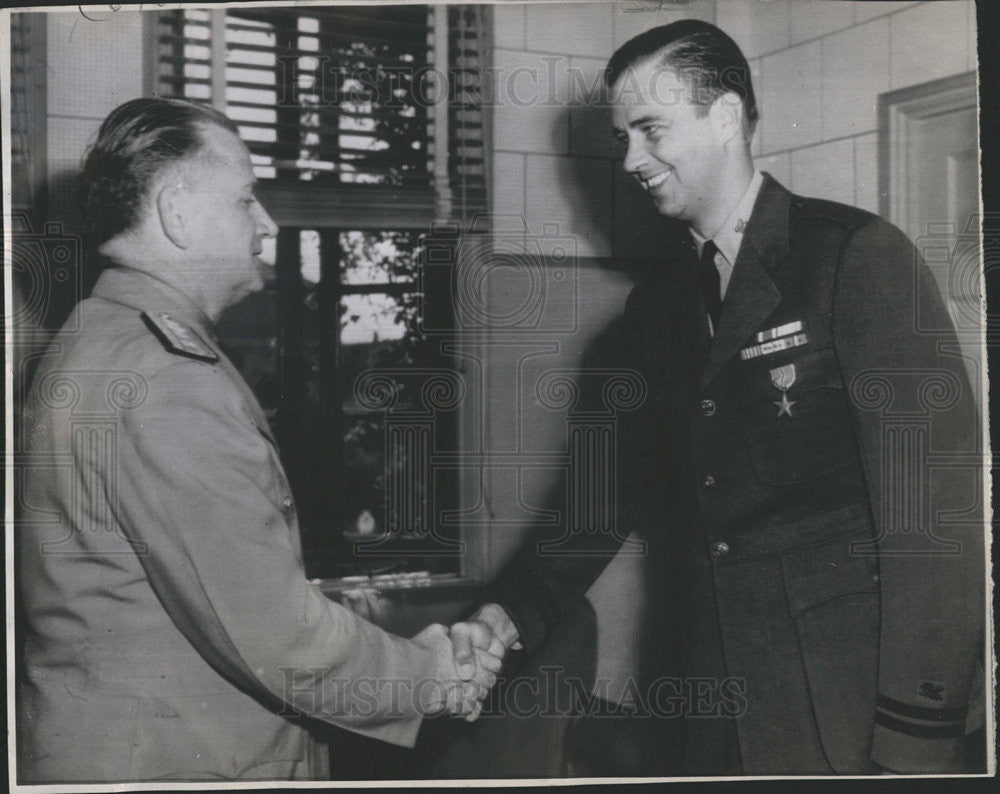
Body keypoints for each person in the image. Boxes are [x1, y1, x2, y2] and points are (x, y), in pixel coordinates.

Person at [460, 20, 985, 775]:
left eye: (650, 130)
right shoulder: (657, 310)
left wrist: (916, 735)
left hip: (852, 713)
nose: (632, 161)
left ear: (729, 116)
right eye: (623, 138)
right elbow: (601, 500)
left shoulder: (852, 257)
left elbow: (934, 515)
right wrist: (503, 615)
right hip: (718, 710)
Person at [16, 97, 503, 783]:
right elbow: (278, 636)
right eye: (245, 199)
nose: (266, 223)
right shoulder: (166, 380)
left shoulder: (96, 341)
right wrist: (433, 676)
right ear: (177, 210)